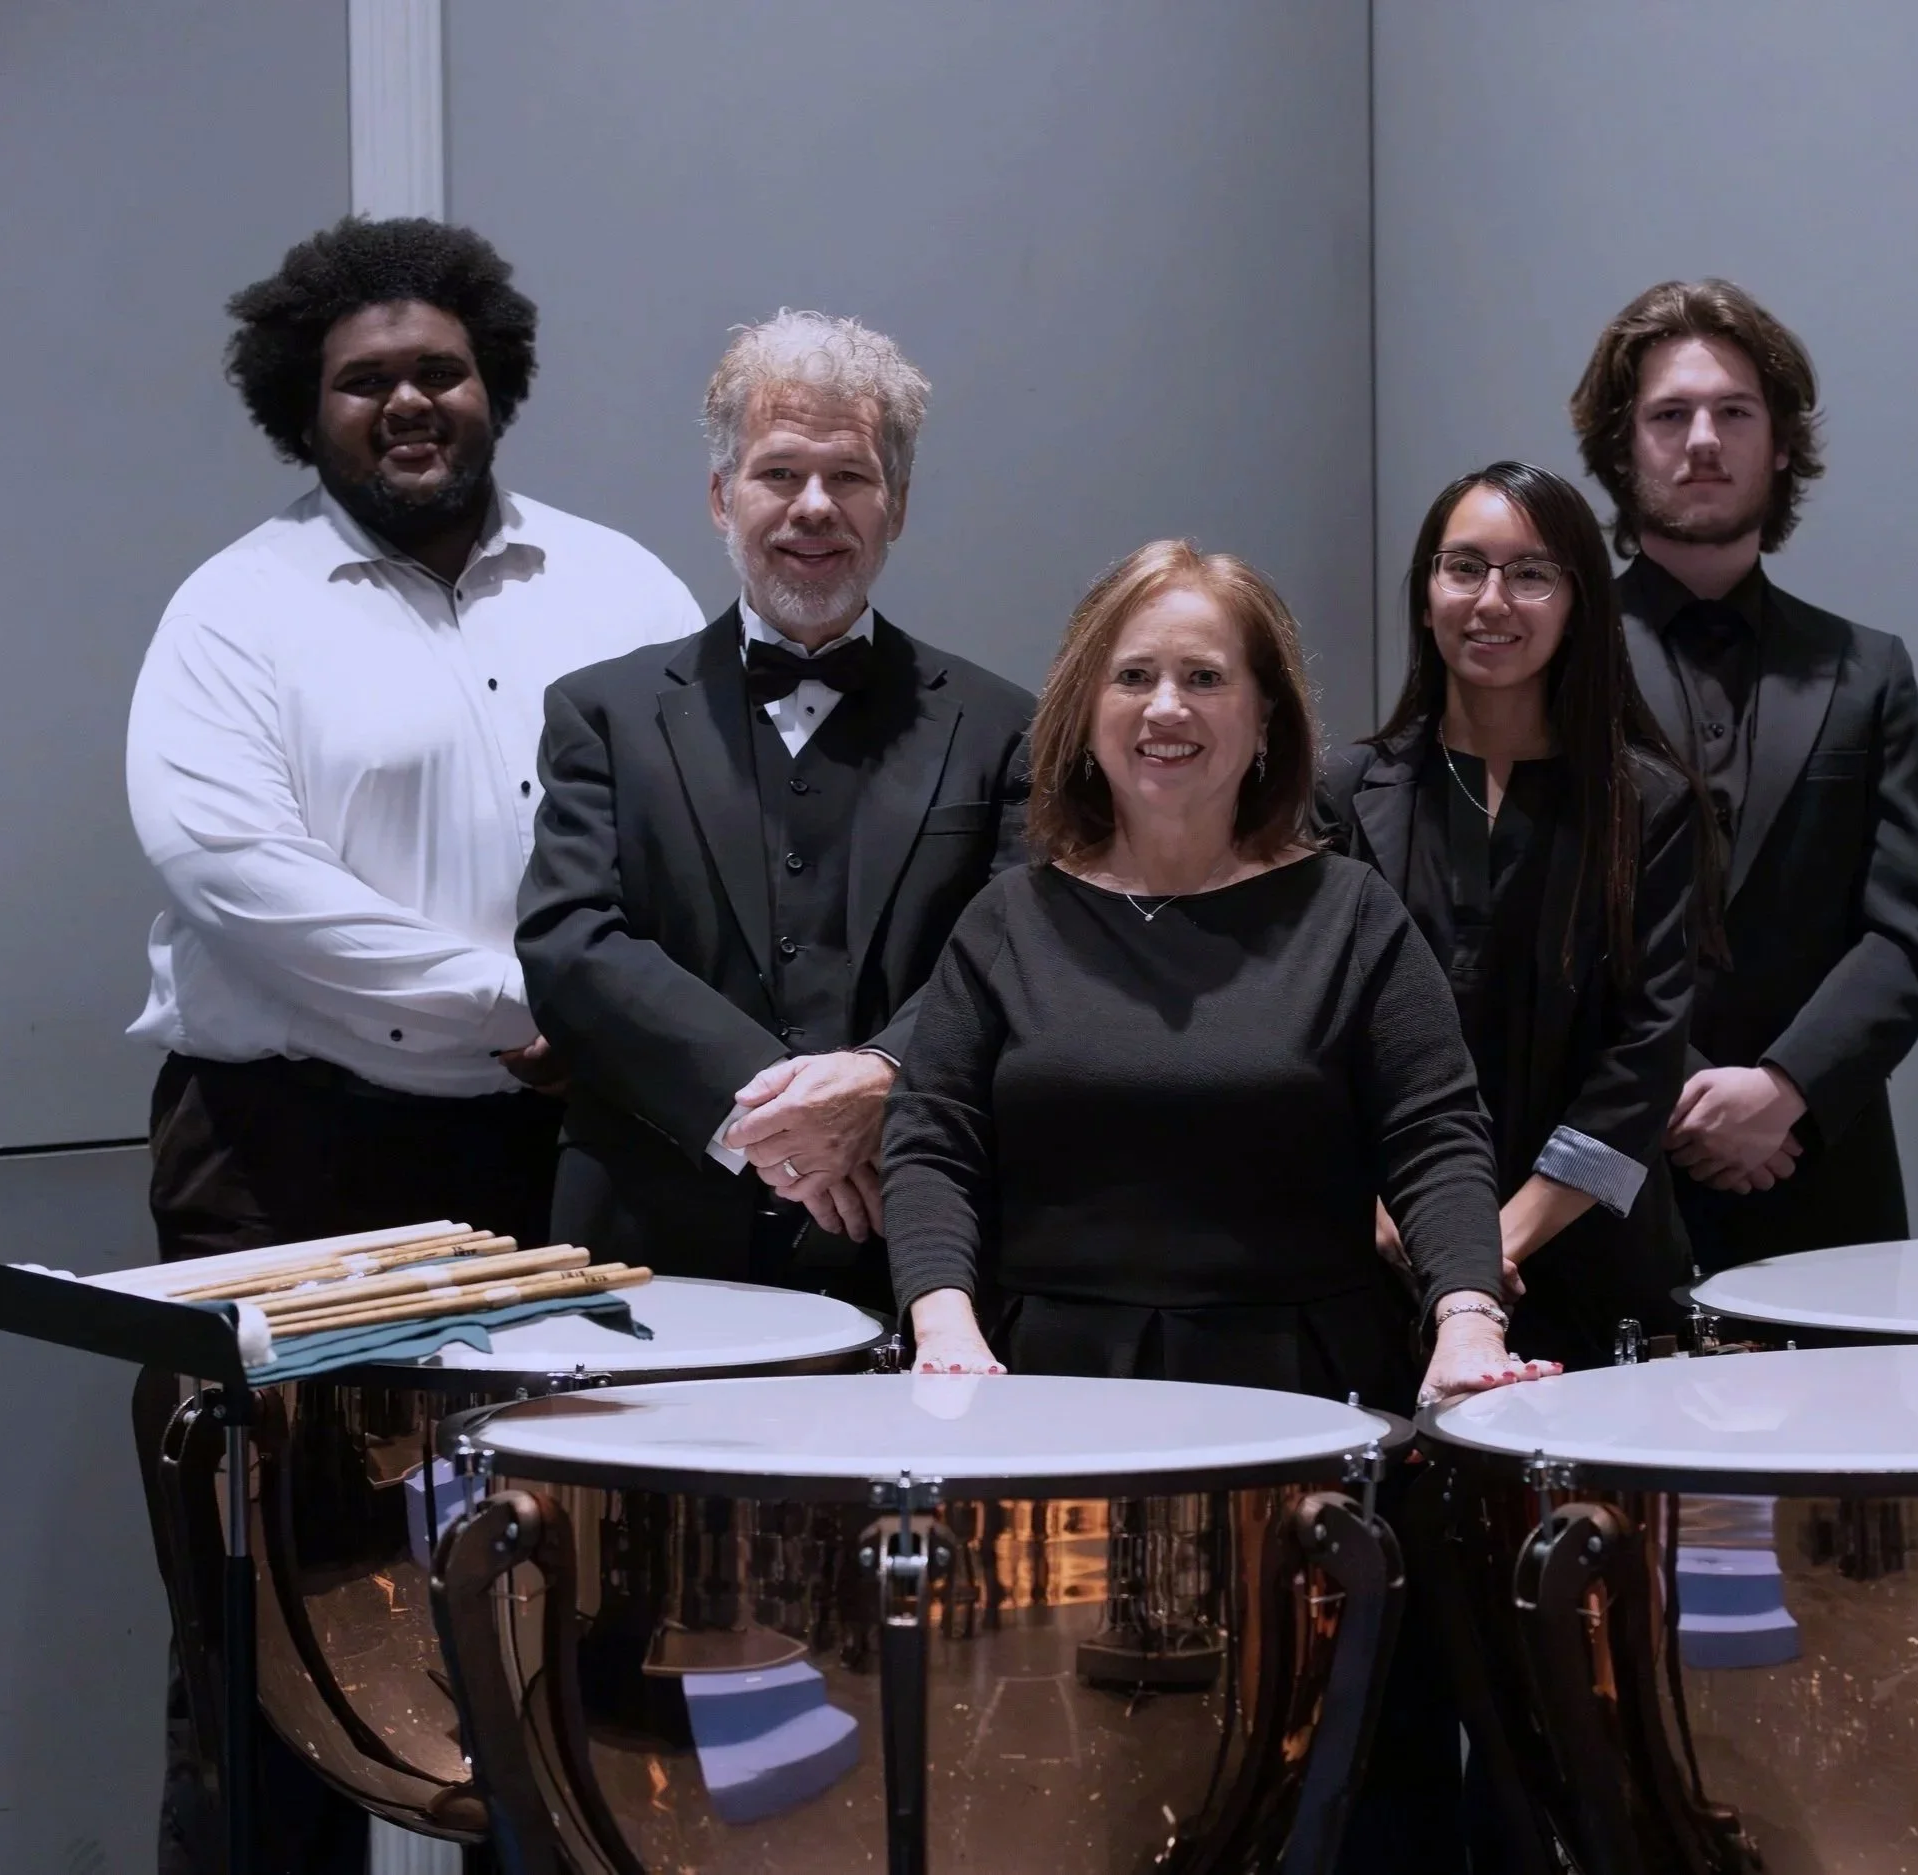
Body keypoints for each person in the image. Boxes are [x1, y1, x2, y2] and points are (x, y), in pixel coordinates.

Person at [125, 216, 701, 1873]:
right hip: (284, 1168)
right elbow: (241, 883)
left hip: (558, 1170)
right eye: (364, 380)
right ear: (303, 410)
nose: (406, 403)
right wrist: (520, 1005)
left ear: (492, 383)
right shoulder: (234, 614)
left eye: (436, 370)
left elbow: (684, 854)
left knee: (577, 1619)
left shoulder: (620, 584)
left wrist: (605, 1034)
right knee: (267, 1635)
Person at [883, 541, 1546, 1874]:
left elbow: (1435, 1135)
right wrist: (942, 1323)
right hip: (1048, 1409)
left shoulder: (1347, 912)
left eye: (1203, 675)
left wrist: (1466, 1314)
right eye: (1133, 676)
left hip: (1302, 1411)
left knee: (1323, 1796)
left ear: (1263, 719)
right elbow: (932, 1140)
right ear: (1084, 713)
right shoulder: (1009, 919)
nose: (1166, 707)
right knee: (1076, 1789)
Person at [515, 312, 1032, 1309]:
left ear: (898, 507)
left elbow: (1017, 958)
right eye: (778, 473)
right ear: (720, 496)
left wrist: (880, 1079)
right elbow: (570, 945)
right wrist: (785, 1124)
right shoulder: (601, 714)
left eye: (849, 477)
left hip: (912, 1250)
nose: (813, 507)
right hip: (646, 1252)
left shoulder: (1005, 728)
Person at [1570, 278, 1918, 1272]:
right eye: (1669, 415)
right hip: (1608, 1178)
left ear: (1779, 443)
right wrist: (1685, 1095)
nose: (1703, 440)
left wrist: (1781, 1089)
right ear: (1622, 446)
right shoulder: (1549, 657)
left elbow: (1905, 938)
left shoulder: (1870, 671)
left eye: (1733, 412)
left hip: (1819, 1170)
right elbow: (1531, 916)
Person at [1323, 462, 1710, 1370]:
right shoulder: (1341, 794)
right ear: (1425, 596)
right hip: (1379, 1263)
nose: (1492, 600)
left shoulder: (1648, 804)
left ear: (1578, 601)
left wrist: (1491, 1247)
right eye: (1464, 568)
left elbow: (1643, 1063)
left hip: (1591, 1266)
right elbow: (1310, 1040)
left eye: (1530, 573)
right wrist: (1400, 1228)